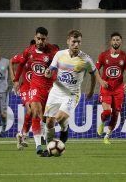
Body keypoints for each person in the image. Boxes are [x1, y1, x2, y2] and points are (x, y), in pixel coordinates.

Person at [41, 29, 106, 157]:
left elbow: (94, 74)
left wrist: (92, 90)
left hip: (72, 94)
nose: (76, 44)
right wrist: (47, 72)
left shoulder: (86, 59)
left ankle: (62, 133)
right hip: (56, 91)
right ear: (68, 41)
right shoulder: (59, 54)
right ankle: (50, 146)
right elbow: (50, 69)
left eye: (78, 42)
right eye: (74, 42)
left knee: (59, 118)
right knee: (49, 122)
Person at [13, 27, 59, 155]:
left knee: (46, 119)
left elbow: (60, 64)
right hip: (35, 87)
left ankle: (26, 134)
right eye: (38, 38)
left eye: (43, 39)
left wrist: (52, 70)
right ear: (35, 37)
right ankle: (38, 146)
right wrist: (16, 80)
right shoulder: (29, 51)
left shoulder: (53, 51)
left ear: (46, 39)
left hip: (50, 89)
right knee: (34, 112)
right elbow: (20, 63)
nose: (40, 41)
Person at [96, 32, 126, 144]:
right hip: (106, 89)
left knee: (116, 113)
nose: (116, 42)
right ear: (110, 42)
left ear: (121, 42)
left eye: (118, 40)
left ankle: (107, 136)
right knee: (107, 112)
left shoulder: (125, 56)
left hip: (118, 90)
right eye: (114, 40)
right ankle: (102, 123)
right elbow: (96, 70)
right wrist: (101, 81)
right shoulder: (103, 55)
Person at [10, 40, 34, 150]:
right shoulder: (23, 56)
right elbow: (11, 61)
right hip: (25, 88)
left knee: (33, 112)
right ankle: (23, 135)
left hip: (36, 88)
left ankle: (21, 134)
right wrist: (14, 79)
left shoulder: (42, 57)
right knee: (30, 110)